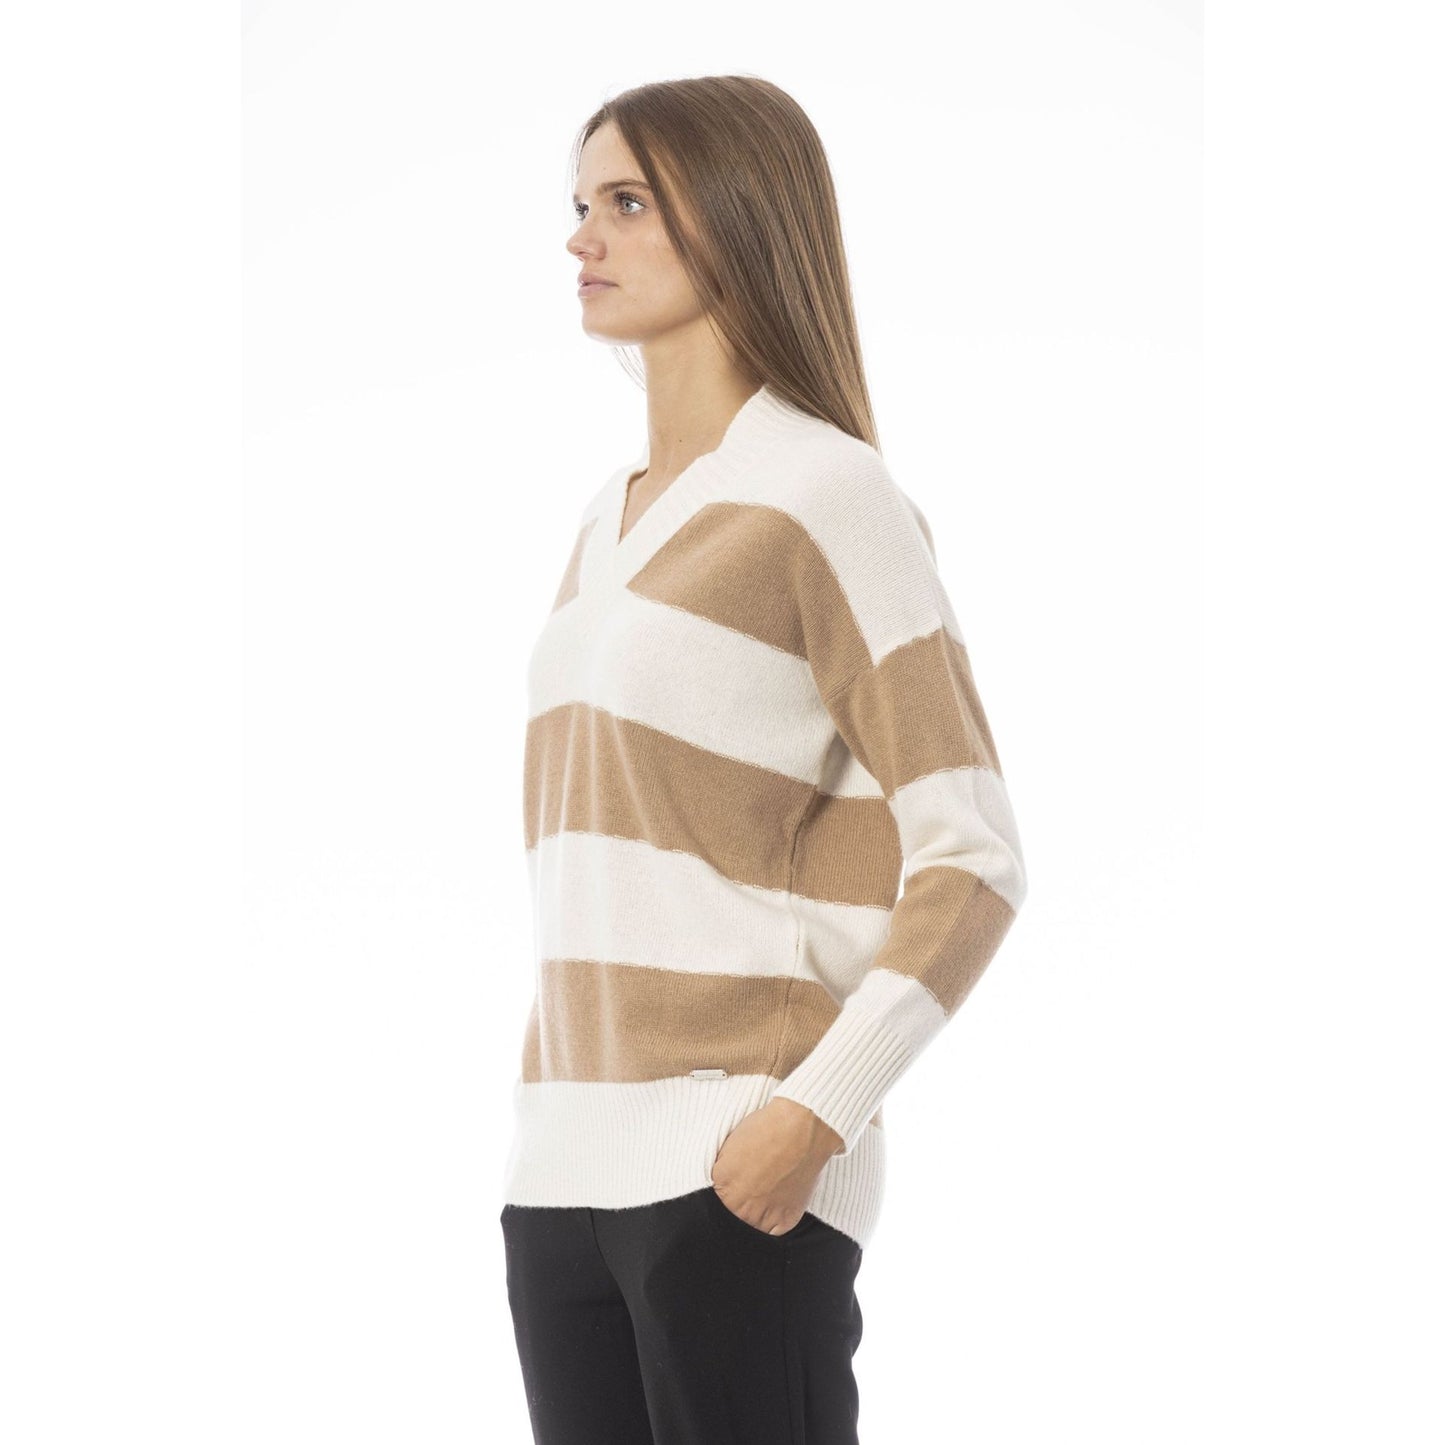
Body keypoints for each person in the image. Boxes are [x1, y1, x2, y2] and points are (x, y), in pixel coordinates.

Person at [498, 75, 1028, 1445]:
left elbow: (972, 856)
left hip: (732, 1170)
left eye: (626, 203)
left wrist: (813, 1115)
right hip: (559, 1178)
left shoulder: (826, 493)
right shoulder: (604, 520)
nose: (581, 238)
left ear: (735, 218)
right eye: (580, 203)